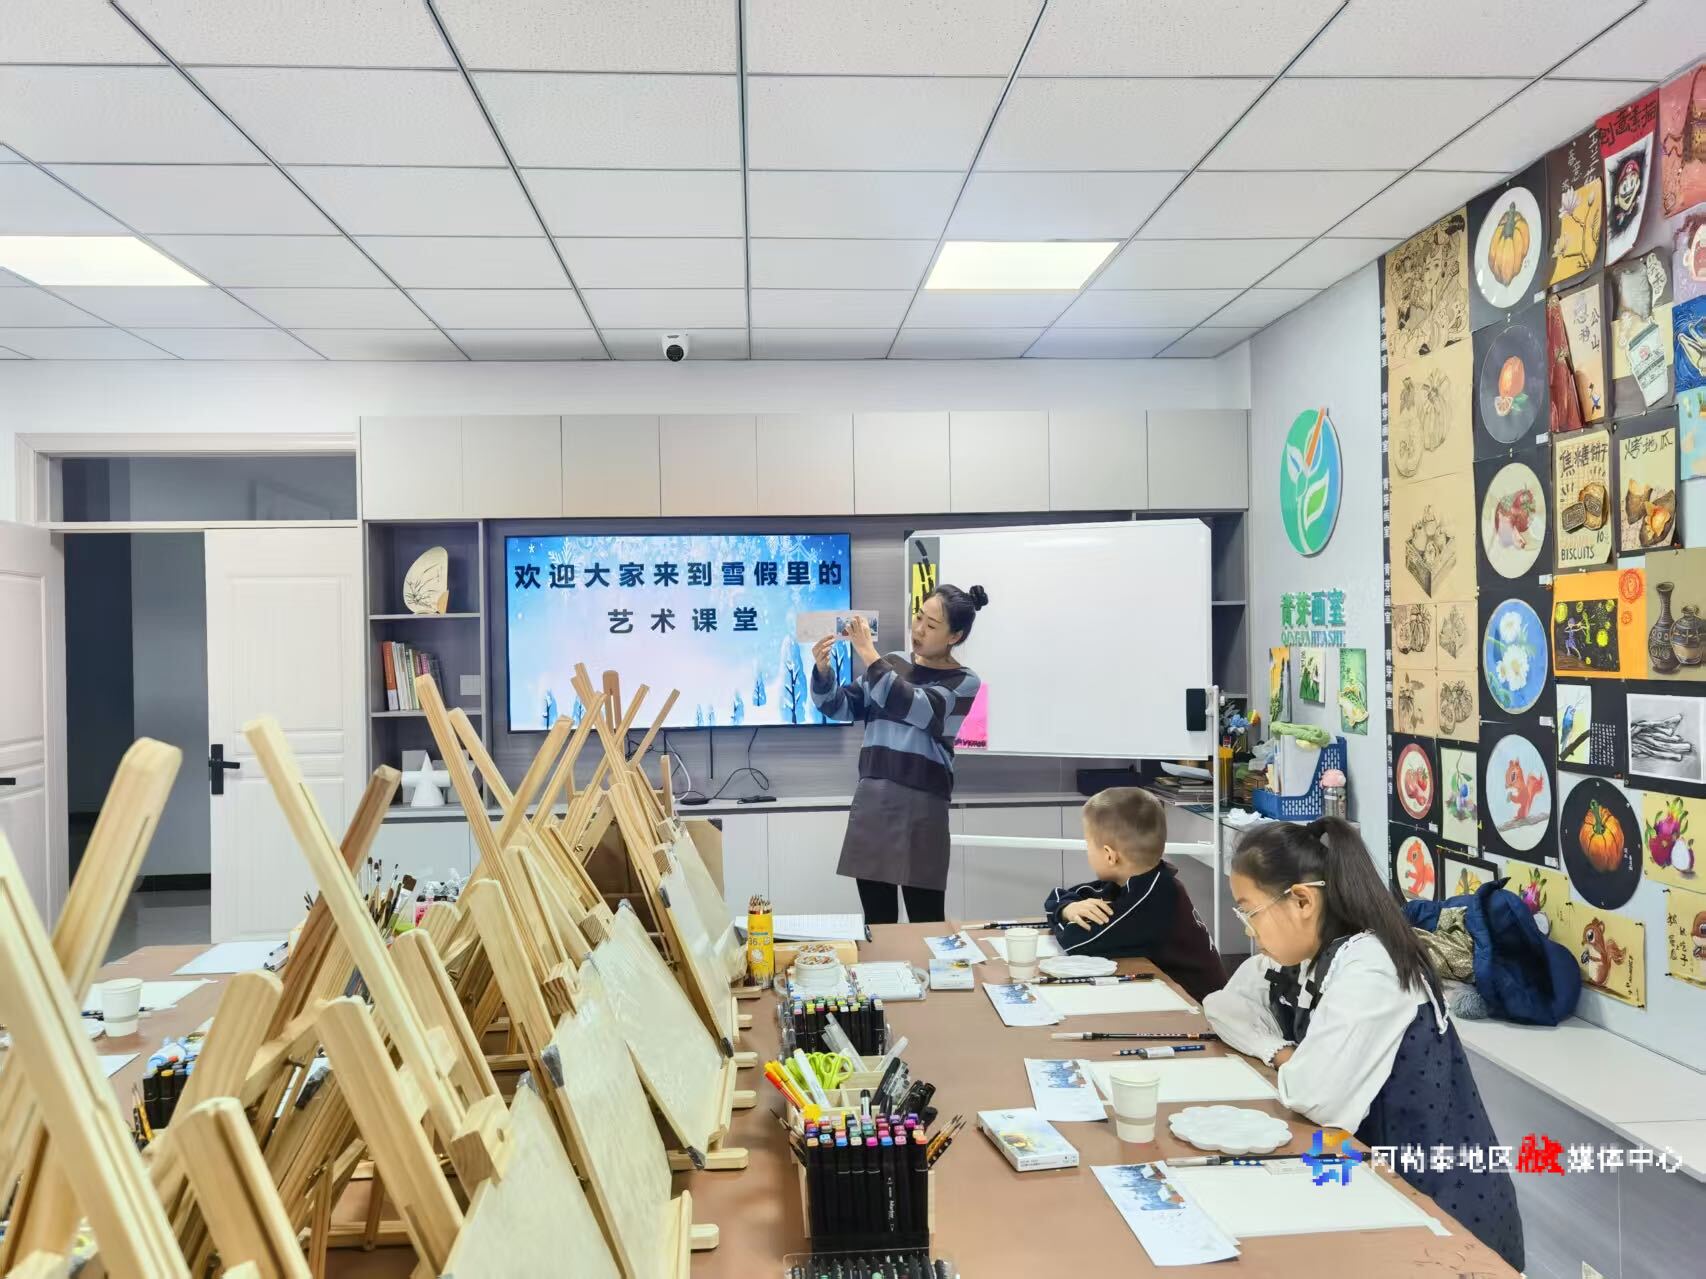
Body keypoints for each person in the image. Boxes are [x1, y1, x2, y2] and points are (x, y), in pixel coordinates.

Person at [1203, 818, 1524, 1273]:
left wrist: (1291, 1062)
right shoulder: (1316, 953)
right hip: (1382, 1192)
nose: (1250, 931)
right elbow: (1224, 1004)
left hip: (1442, 1213)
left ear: (1302, 901)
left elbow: (1313, 1095)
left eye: (1249, 912)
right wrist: (1281, 1053)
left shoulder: (1372, 967)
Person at [810, 585, 986, 925]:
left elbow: (916, 708)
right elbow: (838, 706)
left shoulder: (965, 681)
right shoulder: (892, 663)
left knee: (926, 919)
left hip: (923, 808)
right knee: (877, 920)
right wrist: (823, 672)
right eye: (918, 617)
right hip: (874, 803)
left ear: (955, 636)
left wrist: (867, 652)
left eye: (931, 625)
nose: (918, 629)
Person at [1042, 787, 1226, 1001]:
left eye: (1088, 844)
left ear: (1109, 855)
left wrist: (1062, 914)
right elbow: (1058, 896)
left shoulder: (1151, 899)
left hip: (1201, 1010)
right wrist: (1068, 909)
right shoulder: (1145, 880)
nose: (1087, 851)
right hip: (1174, 997)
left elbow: (1077, 944)